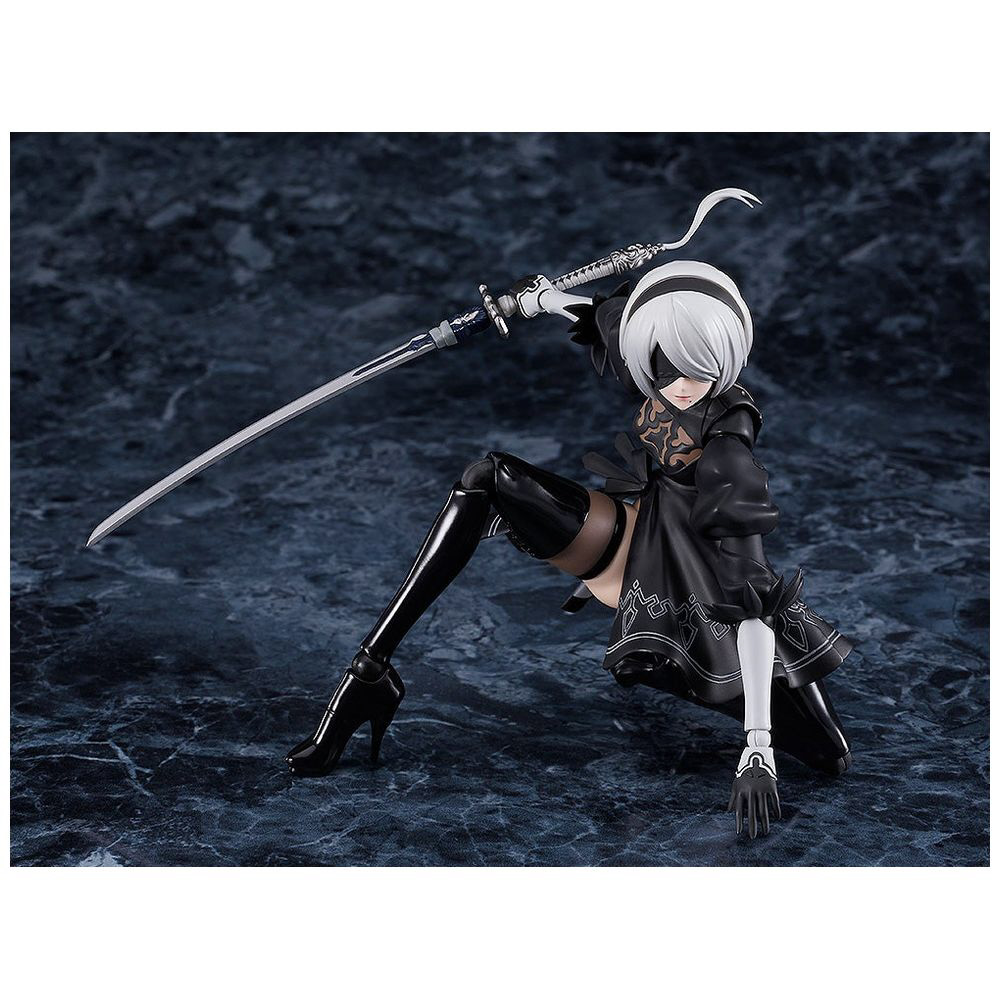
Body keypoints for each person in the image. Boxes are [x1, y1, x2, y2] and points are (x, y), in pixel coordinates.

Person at [286, 256, 853, 840]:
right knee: (488, 479)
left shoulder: (729, 451)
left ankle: (774, 723)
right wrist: (538, 301)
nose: (682, 386)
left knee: (827, 752)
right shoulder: (648, 353)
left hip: (704, 590)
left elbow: (752, 604)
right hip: (637, 537)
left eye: (698, 370)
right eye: (666, 371)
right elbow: (607, 319)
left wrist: (757, 746)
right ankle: (369, 672)